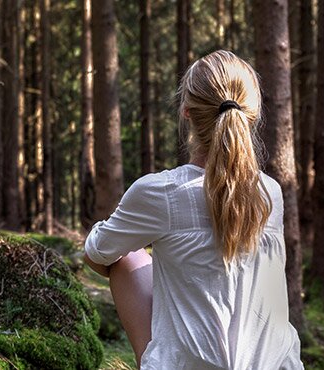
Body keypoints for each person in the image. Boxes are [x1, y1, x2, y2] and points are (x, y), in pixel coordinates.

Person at [83, 50, 303, 370]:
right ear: (252, 114)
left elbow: (96, 253)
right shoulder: (270, 192)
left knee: (129, 257)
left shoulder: (160, 193)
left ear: (186, 112)